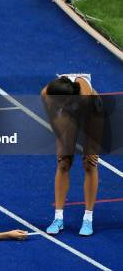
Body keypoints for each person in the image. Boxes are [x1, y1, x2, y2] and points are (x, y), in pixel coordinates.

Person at [41, 74, 103, 236]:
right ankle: (58, 218)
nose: (53, 104)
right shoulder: (47, 95)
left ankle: (88, 218)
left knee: (89, 163)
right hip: (69, 114)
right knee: (63, 162)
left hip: (93, 114)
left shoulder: (85, 98)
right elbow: (54, 119)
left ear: (67, 100)